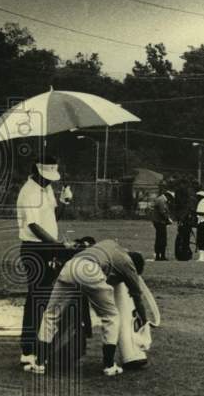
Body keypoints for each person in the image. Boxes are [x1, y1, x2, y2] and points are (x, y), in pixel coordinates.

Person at [25, 240, 156, 377]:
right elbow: (137, 297)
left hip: (70, 266)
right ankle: (109, 365)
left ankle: (39, 363)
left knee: (51, 314)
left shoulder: (110, 243)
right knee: (111, 317)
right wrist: (144, 320)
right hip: (90, 271)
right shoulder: (128, 264)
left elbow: (104, 268)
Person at [16, 155, 66, 366]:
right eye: (46, 177)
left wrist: (64, 201)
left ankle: (41, 344)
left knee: (47, 298)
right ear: (36, 171)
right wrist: (56, 245)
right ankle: (27, 349)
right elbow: (34, 226)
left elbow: (54, 217)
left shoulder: (46, 189)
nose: (49, 181)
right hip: (34, 250)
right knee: (36, 298)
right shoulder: (29, 192)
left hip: (47, 248)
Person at [150, 189, 174, 261]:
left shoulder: (161, 199)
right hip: (160, 222)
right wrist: (168, 219)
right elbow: (162, 212)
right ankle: (161, 256)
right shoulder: (162, 200)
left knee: (160, 238)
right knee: (162, 239)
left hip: (159, 222)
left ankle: (159, 255)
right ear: (168, 196)